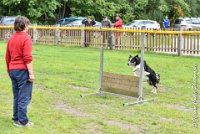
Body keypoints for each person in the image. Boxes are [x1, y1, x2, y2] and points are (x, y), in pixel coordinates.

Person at [5, 16, 35, 127]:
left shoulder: (11, 38)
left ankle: (16, 118)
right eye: (28, 24)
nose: (28, 26)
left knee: (17, 96)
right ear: (25, 25)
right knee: (24, 96)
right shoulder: (26, 37)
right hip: (22, 70)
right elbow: (27, 57)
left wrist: (9, 70)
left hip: (13, 70)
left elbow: (7, 57)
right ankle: (22, 121)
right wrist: (31, 73)